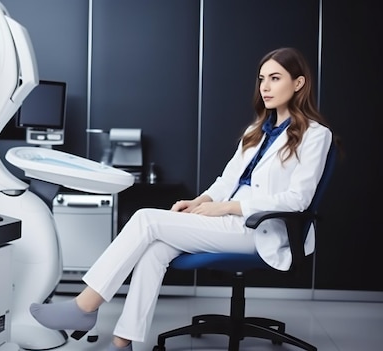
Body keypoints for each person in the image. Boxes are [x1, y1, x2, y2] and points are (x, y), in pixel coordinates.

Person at [29, 47, 335, 351]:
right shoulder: (256, 130)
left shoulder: (316, 135)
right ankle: (123, 342)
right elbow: (227, 180)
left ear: (298, 83)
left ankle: (84, 307)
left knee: (146, 219)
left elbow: (298, 199)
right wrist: (199, 201)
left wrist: (226, 207)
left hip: (261, 228)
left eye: (275, 78)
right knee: (155, 251)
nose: (265, 87)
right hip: (228, 220)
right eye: (261, 79)